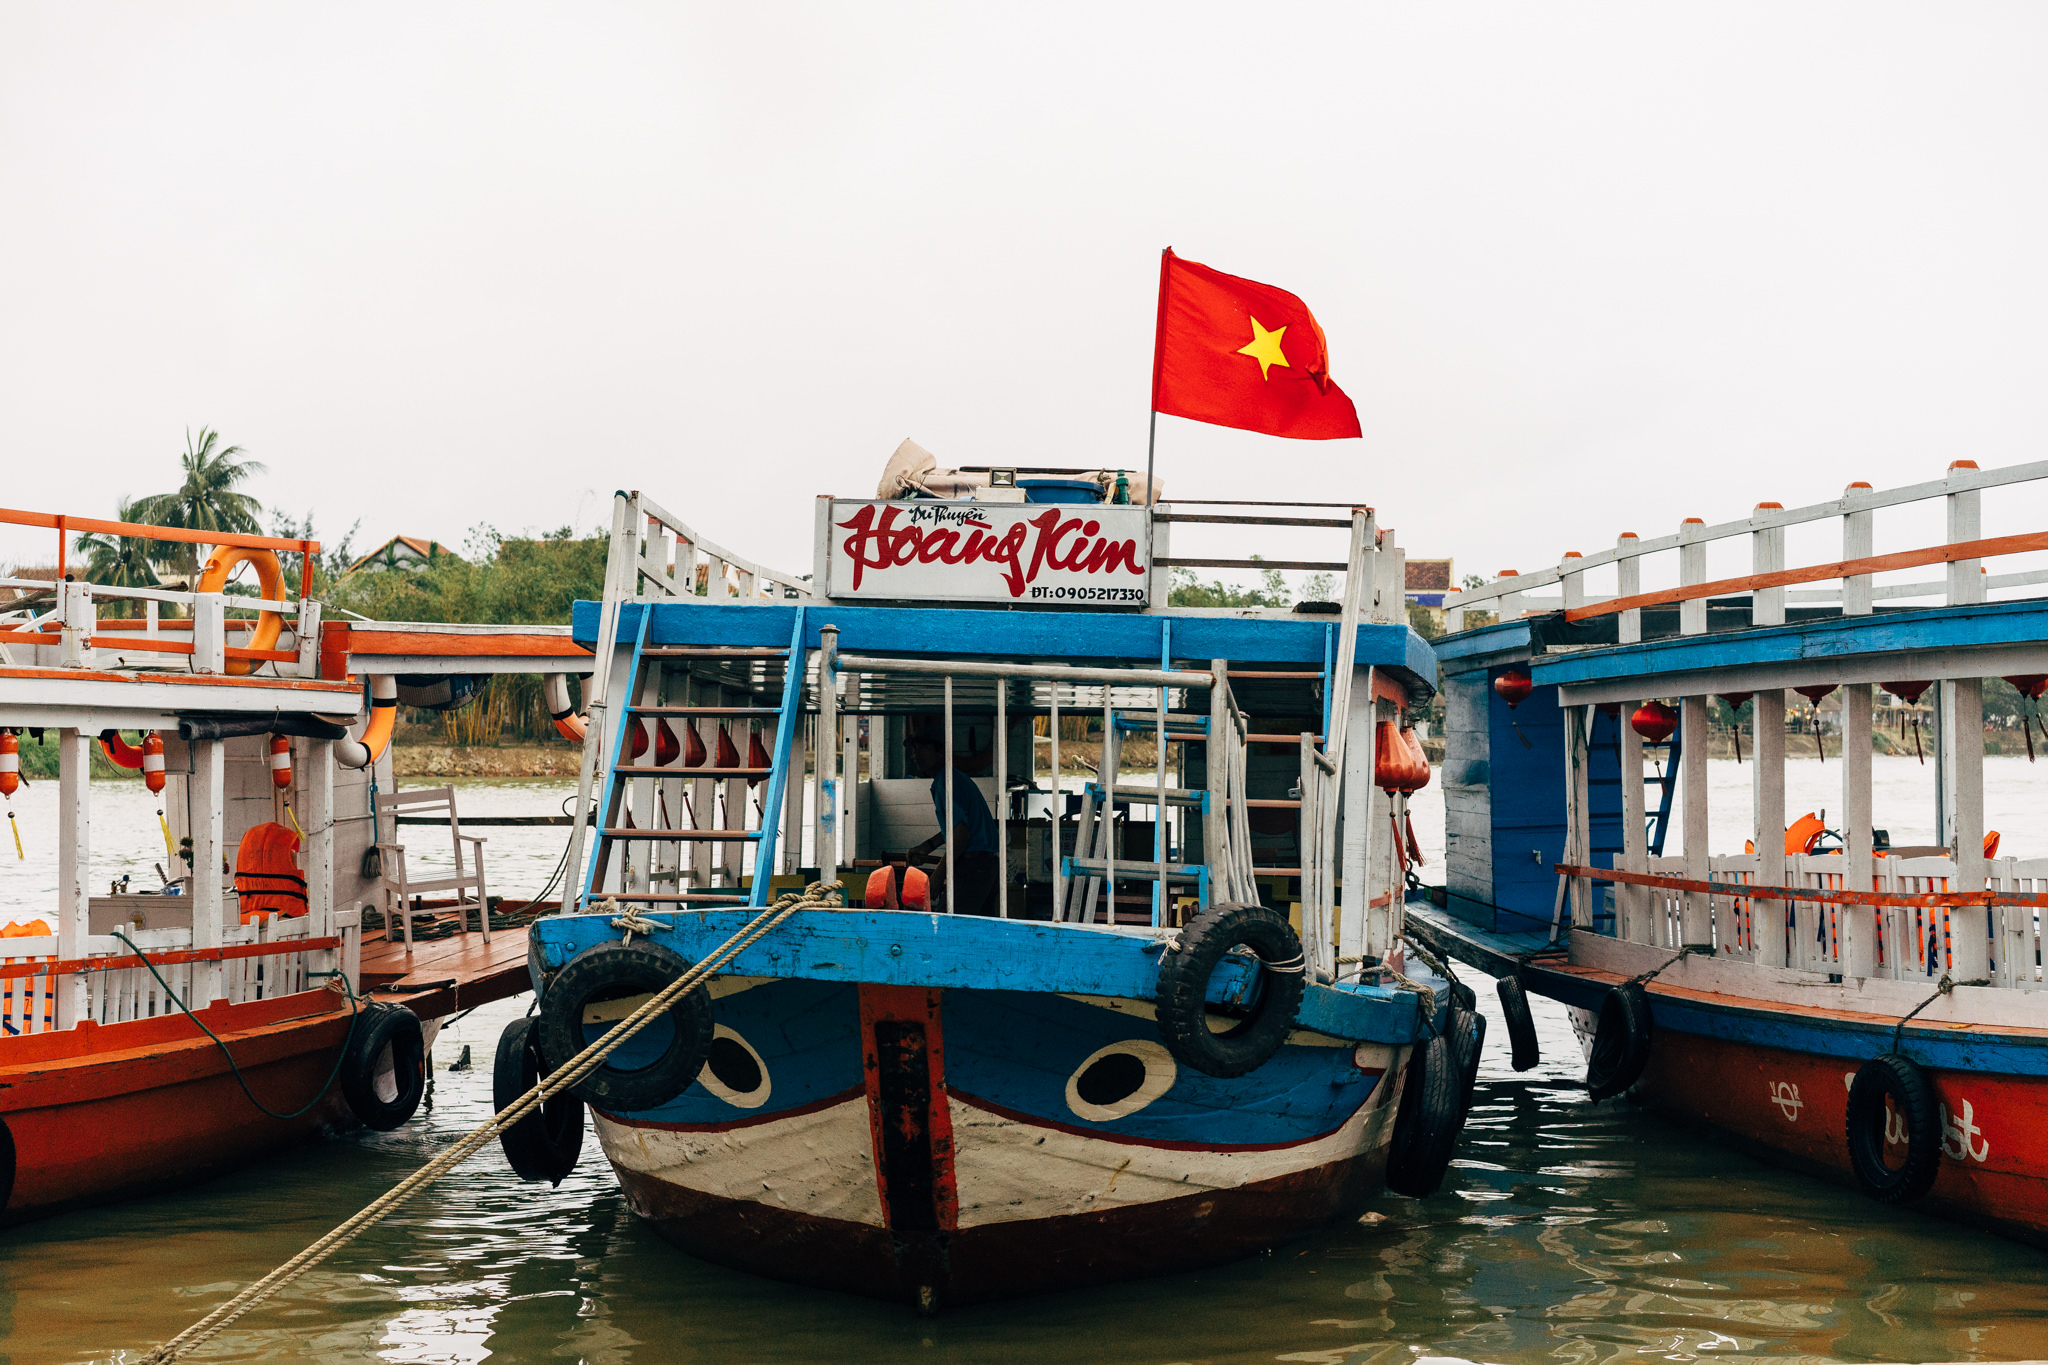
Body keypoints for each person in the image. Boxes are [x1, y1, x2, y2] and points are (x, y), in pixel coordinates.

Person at [902, 732, 1001, 915]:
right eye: (915, 750)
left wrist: (937, 877)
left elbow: (961, 834)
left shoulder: (947, 783)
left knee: (950, 924)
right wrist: (928, 846)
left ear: (940, 752)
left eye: (923, 748)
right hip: (986, 866)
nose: (917, 755)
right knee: (982, 926)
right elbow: (959, 825)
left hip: (974, 867)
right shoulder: (951, 779)